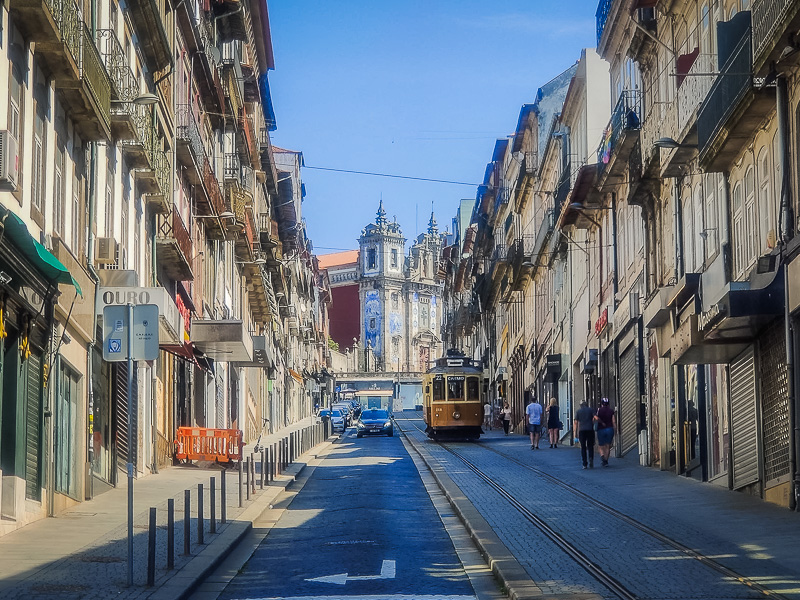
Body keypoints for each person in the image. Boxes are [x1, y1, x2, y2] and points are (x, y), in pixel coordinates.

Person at [573, 400, 596, 469]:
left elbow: (576, 423)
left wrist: (575, 434)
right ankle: (591, 458)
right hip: (590, 429)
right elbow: (595, 418)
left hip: (582, 430)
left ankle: (584, 463)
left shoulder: (578, 412)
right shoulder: (591, 410)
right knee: (590, 446)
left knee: (583, 447)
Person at [596, 397, 616, 467]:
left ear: (601, 403)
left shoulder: (599, 410)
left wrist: (601, 422)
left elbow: (596, 418)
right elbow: (613, 421)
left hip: (601, 429)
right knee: (608, 446)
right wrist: (615, 429)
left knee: (601, 445)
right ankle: (606, 461)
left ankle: (602, 456)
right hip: (609, 429)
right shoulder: (611, 411)